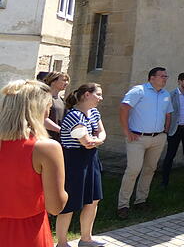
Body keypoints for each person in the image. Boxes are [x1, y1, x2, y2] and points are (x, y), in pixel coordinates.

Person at [0, 80, 68, 247]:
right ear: (39, 109)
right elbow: (55, 207)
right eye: (48, 108)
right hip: (29, 233)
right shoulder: (46, 148)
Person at [117, 67, 173, 218]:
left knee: (150, 169)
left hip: (158, 138)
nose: (165, 78)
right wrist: (126, 131)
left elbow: (168, 113)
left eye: (166, 76)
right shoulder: (139, 91)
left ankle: (141, 201)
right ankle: (123, 205)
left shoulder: (165, 94)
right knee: (133, 170)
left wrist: (165, 131)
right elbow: (124, 108)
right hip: (137, 138)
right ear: (152, 78)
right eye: (162, 76)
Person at [55, 83, 107, 247]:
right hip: (74, 160)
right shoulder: (73, 116)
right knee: (69, 203)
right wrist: (96, 140)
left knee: (93, 200)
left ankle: (86, 239)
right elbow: (85, 141)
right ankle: (62, 243)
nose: (101, 98)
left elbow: (101, 133)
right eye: (98, 94)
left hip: (91, 158)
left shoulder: (94, 112)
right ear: (86, 95)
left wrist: (97, 140)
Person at [161, 72, 184, 187]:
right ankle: (164, 181)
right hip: (176, 128)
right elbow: (167, 112)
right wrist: (166, 128)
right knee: (170, 154)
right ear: (180, 81)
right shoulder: (172, 95)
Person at [42, 71, 70, 142]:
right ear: (53, 81)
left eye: (67, 81)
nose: (66, 83)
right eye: (64, 80)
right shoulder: (44, 98)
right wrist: (60, 130)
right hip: (46, 138)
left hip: (58, 139)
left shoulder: (61, 100)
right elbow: (42, 119)